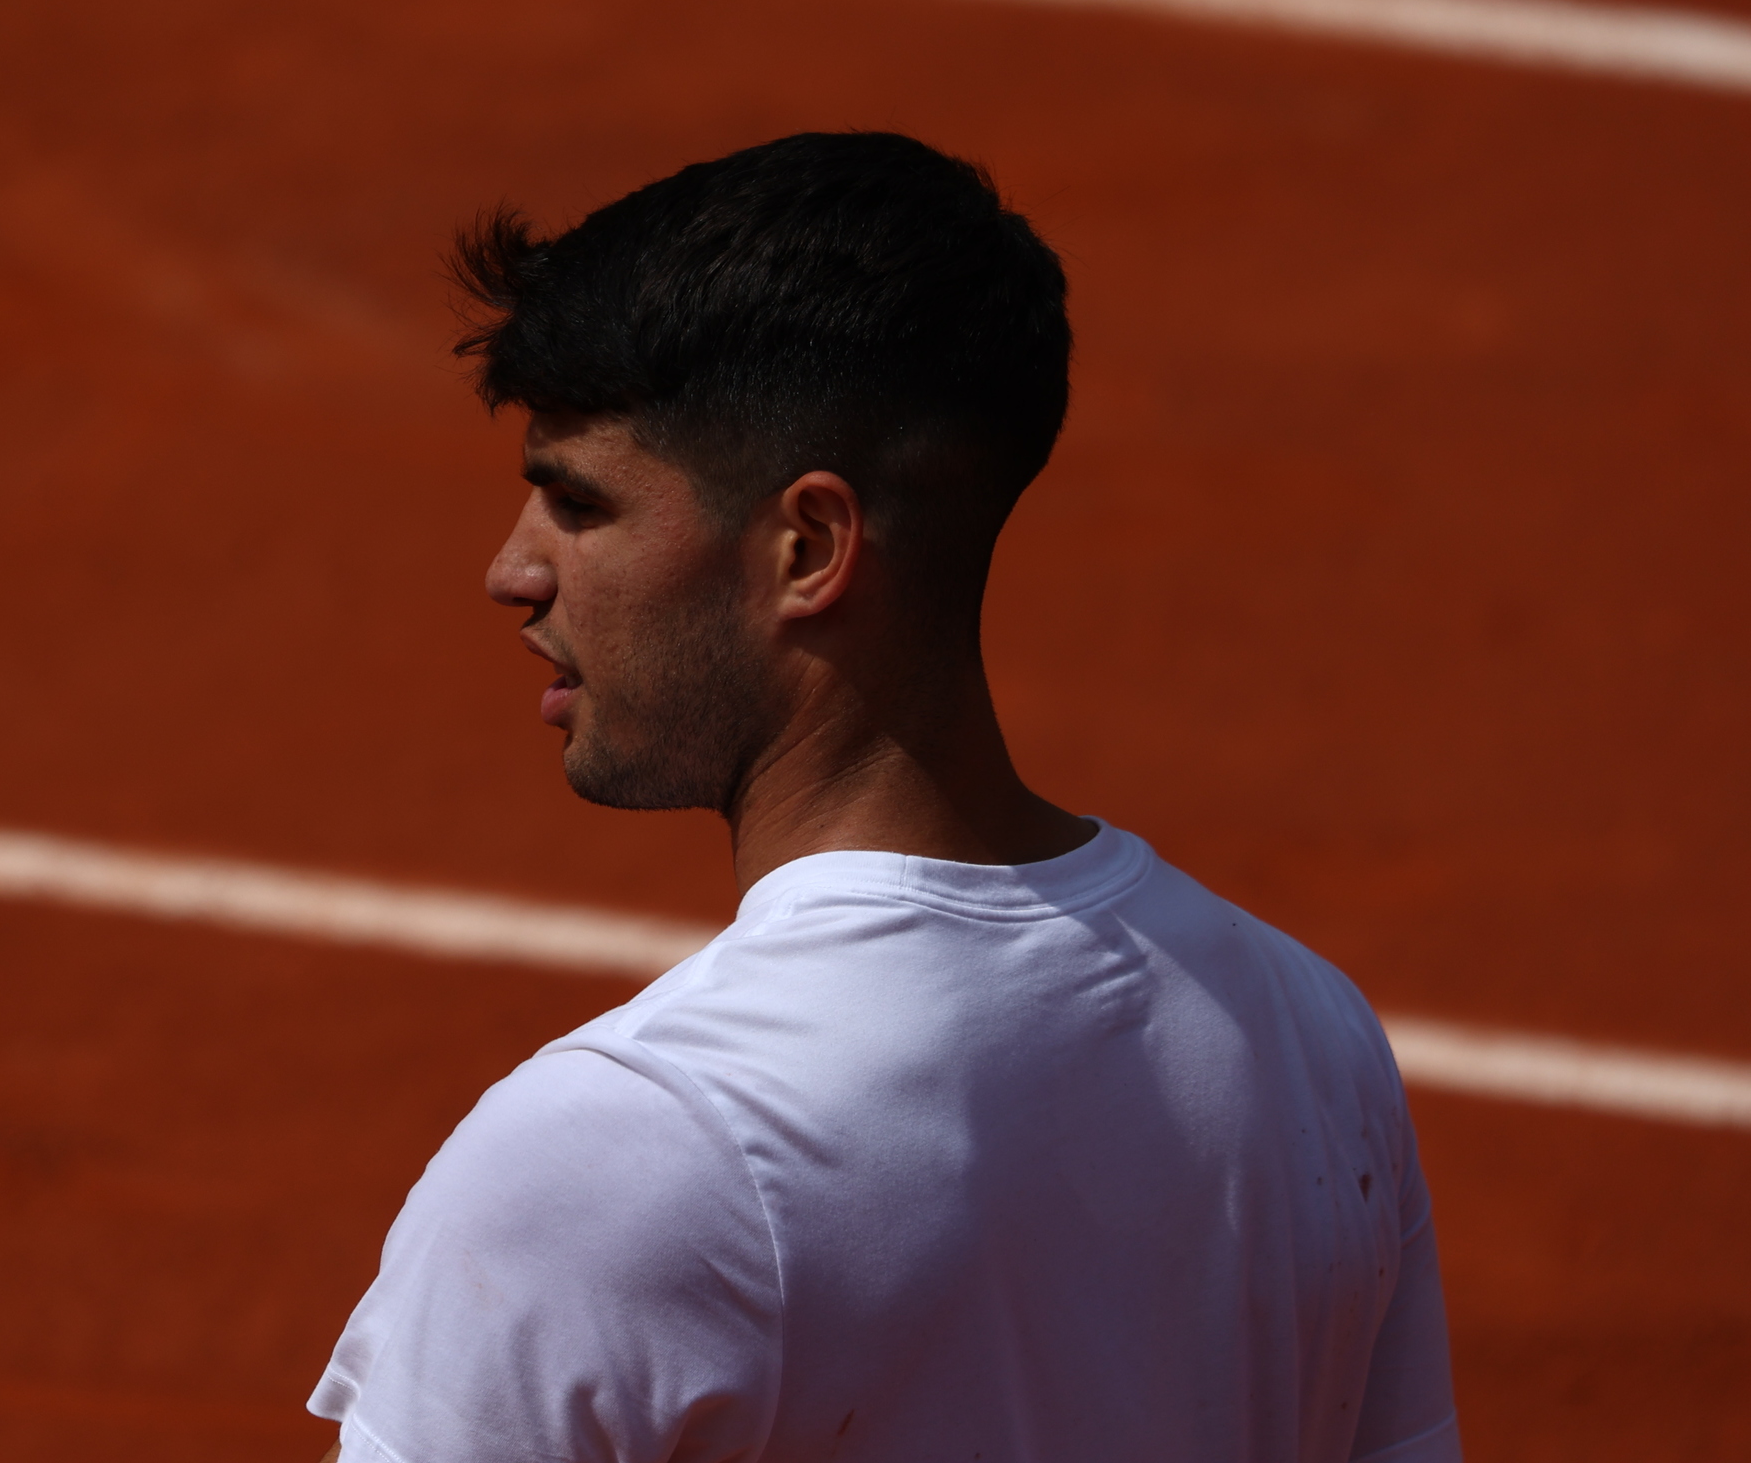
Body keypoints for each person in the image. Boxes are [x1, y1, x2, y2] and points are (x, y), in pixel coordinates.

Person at [308, 134, 1459, 1463]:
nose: (515, 572)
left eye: (578, 504)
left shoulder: (620, 1157)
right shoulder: (1307, 1037)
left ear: (808, 546)